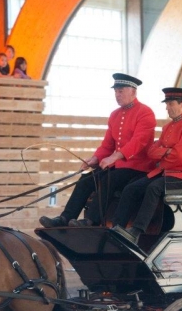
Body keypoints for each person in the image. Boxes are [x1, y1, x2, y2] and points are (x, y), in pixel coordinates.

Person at [39, 73, 156, 228]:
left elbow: (138, 142)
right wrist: (94, 159)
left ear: (133, 92)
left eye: (120, 91)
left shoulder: (145, 112)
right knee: (86, 179)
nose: (117, 95)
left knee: (109, 179)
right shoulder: (115, 115)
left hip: (138, 168)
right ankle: (65, 218)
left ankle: (91, 220)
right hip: (118, 167)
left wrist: (114, 158)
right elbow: (107, 145)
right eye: (115, 91)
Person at [112, 87, 182, 246]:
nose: (167, 108)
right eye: (167, 104)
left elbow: (180, 156)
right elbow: (151, 151)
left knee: (154, 188)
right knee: (131, 188)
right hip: (166, 173)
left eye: (170, 104)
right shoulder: (168, 127)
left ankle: (136, 231)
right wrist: (167, 152)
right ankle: (116, 228)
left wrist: (164, 154)